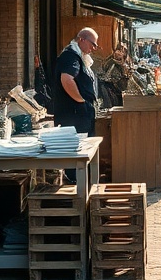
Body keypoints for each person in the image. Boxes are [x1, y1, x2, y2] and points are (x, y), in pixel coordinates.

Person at [54, 28, 100, 181]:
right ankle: (77, 187)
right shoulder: (71, 57)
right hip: (74, 116)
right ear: (81, 39)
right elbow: (67, 79)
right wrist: (81, 101)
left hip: (79, 115)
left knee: (83, 154)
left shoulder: (78, 57)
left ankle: (81, 184)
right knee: (77, 155)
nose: (94, 48)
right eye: (92, 44)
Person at [96, 43, 132, 110]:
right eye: (118, 50)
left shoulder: (123, 63)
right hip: (108, 90)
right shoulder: (110, 61)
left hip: (115, 90)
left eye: (122, 51)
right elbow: (115, 79)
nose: (119, 53)